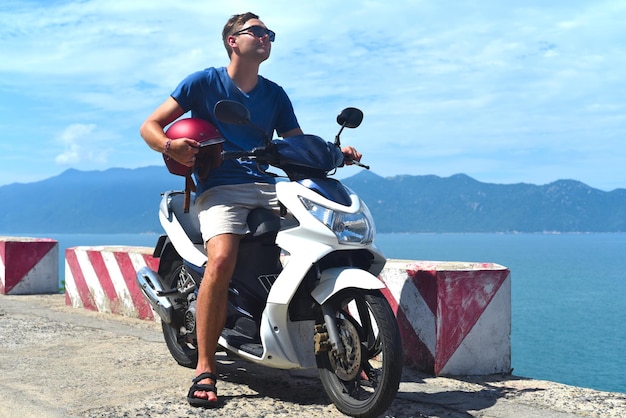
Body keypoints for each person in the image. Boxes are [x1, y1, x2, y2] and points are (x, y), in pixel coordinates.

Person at [140, 12, 361, 408]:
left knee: (319, 242)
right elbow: (150, 125)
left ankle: (324, 332)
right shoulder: (204, 82)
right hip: (221, 187)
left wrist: (334, 152)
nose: (265, 38)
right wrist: (169, 147)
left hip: (268, 185)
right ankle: (206, 368)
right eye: (257, 32)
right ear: (232, 40)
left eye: (269, 33)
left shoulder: (275, 94)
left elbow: (296, 143)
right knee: (221, 259)